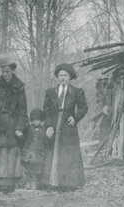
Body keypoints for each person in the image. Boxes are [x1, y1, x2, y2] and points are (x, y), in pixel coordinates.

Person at [0, 53, 28, 193]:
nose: (5, 74)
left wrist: (20, 127)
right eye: (3, 72)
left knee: (10, 152)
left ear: (13, 70)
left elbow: (22, 110)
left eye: (7, 71)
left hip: (12, 124)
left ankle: (10, 183)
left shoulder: (19, 87)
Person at [42, 63, 88, 191]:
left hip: (68, 125)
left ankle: (68, 183)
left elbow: (84, 108)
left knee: (68, 152)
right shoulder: (50, 92)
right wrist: (49, 126)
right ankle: (52, 182)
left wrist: (75, 117)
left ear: (70, 77)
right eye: (60, 75)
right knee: (53, 151)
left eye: (65, 75)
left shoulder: (77, 92)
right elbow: (46, 110)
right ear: (57, 76)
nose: (62, 78)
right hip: (54, 122)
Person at [21, 108, 47, 190]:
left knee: (37, 169)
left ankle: (35, 183)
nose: (36, 122)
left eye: (38, 120)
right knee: (28, 168)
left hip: (39, 152)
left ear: (41, 121)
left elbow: (45, 139)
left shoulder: (43, 129)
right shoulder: (28, 128)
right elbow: (24, 138)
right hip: (29, 151)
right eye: (34, 120)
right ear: (31, 121)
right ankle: (28, 182)